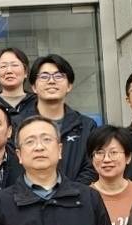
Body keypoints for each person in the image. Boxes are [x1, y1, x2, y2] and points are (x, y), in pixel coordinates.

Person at [21, 54, 96, 185]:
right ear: (34, 87)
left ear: (69, 85)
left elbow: (92, 167)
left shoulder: (86, 126)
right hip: (28, 196)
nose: (51, 81)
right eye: (44, 76)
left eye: (59, 76)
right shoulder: (18, 124)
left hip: (76, 195)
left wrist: (68, 192)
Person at [0, 47, 36, 124]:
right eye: (3, 66)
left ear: (26, 72)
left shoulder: (38, 103)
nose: (9, 71)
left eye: (14, 65)